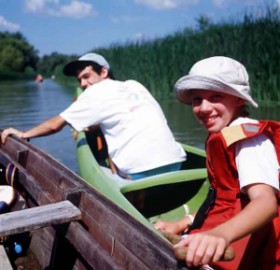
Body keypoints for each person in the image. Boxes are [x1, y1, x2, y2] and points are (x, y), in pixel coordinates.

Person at [155, 56, 280, 269]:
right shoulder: (225, 135)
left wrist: (220, 235)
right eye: (197, 99)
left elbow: (266, 203)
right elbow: (226, 202)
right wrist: (182, 223)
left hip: (245, 256)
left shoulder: (248, 140)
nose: (203, 108)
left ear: (239, 99)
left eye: (215, 96)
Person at [1, 53, 186, 180]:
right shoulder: (133, 84)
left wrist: (24, 134)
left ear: (104, 72)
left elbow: (55, 124)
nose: (83, 83)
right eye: (79, 79)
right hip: (176, 164)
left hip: (142, 173)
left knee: (96, 176)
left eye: (87, 76)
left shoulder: (95, 93)